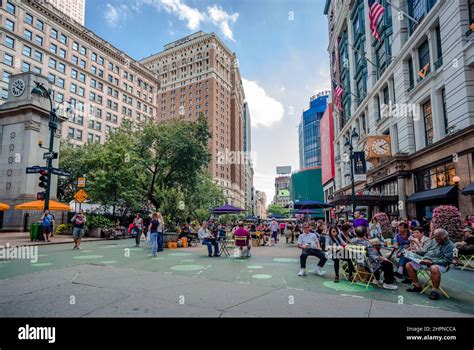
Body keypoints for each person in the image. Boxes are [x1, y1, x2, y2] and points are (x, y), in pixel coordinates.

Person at [405, 228, 455, 300]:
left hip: (439, 264)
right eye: (435, 238)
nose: (436, 240)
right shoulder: (434, 241)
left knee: (433, 268)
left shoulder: (450, 246)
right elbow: (426, 251)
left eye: (438, 239)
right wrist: (415, 252)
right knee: (409, 265)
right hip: (426, 260)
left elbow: (447, 261)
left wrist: (432, 261)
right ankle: (417, 286)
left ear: (444, 238)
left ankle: (434, 291)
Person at [351, 226, 398, 290]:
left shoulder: (353, 241)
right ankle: (388, 283)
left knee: (380, 260)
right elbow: (373, 256)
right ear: (365, 233)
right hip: (369, 264)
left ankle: (376, 279)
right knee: (388, 264)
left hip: (359, 262)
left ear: (356, 233)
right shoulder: (366, 243)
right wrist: (382, 258)